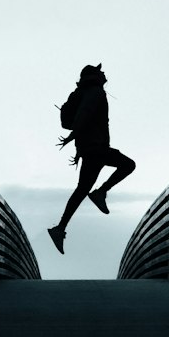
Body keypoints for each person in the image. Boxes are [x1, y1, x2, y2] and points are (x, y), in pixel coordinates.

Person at [48, 63, 135, 254]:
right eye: (101, 71)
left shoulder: (82, 92)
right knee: (128, 165)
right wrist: (73, 136)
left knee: (81, 190)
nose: (104, 73)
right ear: (94, 75)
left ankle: (60, 228)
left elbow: (82, 117)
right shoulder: (96, 92)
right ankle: (100, 192)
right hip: (97, 148)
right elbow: (84, 114)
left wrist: (79, 145)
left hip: (90, 149)